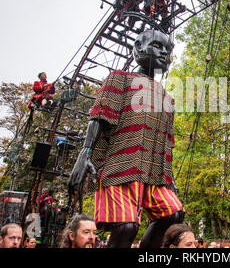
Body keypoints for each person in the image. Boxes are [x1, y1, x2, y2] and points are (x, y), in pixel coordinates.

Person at [68, 30, 183, 249]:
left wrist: (170, 178)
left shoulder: (168, 99)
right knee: (126, 226)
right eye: (158, 46)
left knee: (173, 214)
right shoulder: (120, 79)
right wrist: (85, 153)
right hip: (120, 166)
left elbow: (167, 142)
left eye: (167, 51)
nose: (164, 54)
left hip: (154, 174)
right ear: (138, 48)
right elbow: (100, 116)